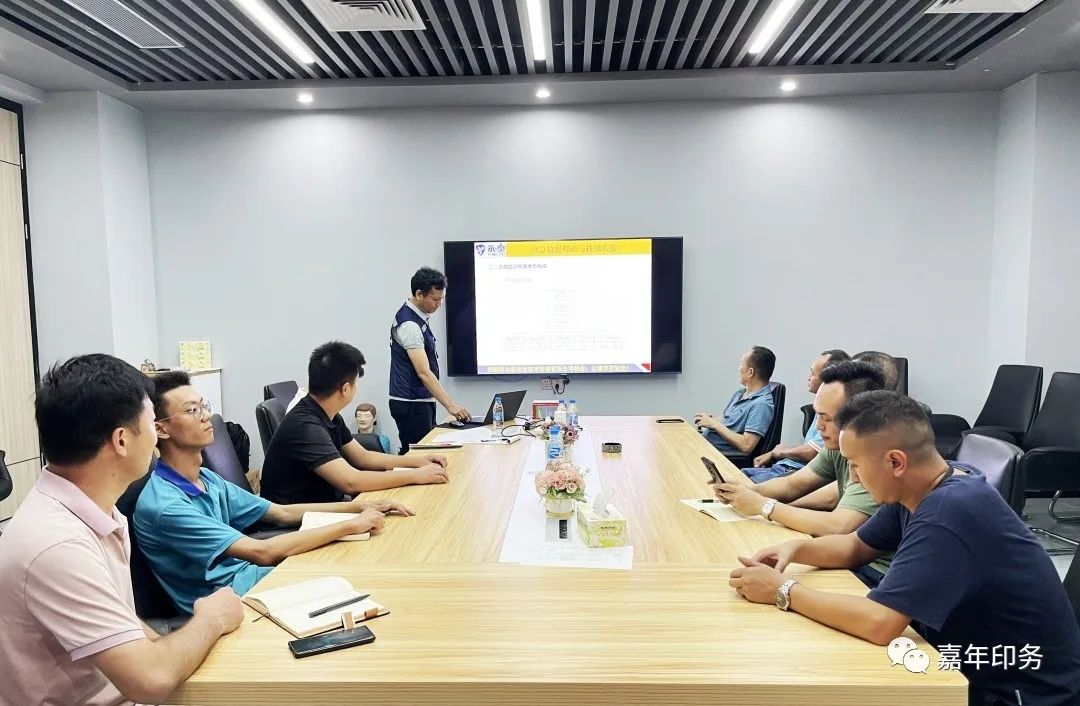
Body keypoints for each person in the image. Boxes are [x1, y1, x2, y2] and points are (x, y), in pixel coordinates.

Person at [729, 391, 1080, 706]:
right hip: (963, 665)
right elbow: (855, 546)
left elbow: (880, 623)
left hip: (1017, 691)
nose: (852, 478)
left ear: (895, 462)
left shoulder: (948, 512)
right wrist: (794, 550)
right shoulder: (925, 486)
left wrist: (784, 591)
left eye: (855, 464)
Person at [0, 354, 245, 705]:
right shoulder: (57, 544)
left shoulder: (97, 508)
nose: (156, 436)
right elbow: (150, 680)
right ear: (121, 440)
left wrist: (170, 648)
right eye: (150, 422)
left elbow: (121, 623)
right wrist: (211, 619)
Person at [134, 371, 414, 615]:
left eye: (204, 406)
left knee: (364, 568)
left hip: (253, 580)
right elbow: (262, 551)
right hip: (231, 605)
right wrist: (350, 525)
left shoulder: (206, 478)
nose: (207, 415)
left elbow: (281, 512)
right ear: (161, 429)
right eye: (193, 410)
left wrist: (359, 508)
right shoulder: (166, 505)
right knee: (360, 585)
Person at [713, 360, 891, 587]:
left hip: (872, 575)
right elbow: (792, 485)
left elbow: (838, 526)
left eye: (827, 418)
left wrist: (762, 506)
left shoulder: (877, 462)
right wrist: (745, 492)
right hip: (852, 560)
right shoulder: (836, 449)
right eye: (817, 416)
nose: (818, 427)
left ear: (860, 419)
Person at [261, 341, 451, 506]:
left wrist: (418, 462)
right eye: (355, 383)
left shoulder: (328, 414)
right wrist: (415, 476)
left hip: (324, 507)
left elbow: (363, 457)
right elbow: (350, 481)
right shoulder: (305, 425)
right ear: (345, 389)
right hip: (297, 523)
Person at [389, 267, 471, 452]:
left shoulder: (417, 318)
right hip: (411, 403)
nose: (439, 304)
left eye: (442, 298)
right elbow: (423, 372)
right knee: (419, 457)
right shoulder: (409, 325)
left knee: (423, 454)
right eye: (435, 299)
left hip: (418, 401)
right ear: (419, 294)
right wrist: (450, 405)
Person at [744, 349, 850, 483]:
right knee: (736, 476)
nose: (809, 377)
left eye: (813, 373)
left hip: (795, 472)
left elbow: (812, 452)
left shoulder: (835, 410)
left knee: (739, 484)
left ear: (829, 379)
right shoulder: (821, 407)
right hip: (784, 467)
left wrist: (780, 452)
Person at [695, 346, 777, 457]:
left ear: (751, 372)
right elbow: (728, 419)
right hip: (703, 445)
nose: (739, 368)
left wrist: (714, 425)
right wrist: (710, 420)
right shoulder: (740, 394)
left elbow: (747, 445)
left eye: (741, 365)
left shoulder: (761, 405)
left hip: (717, 456)